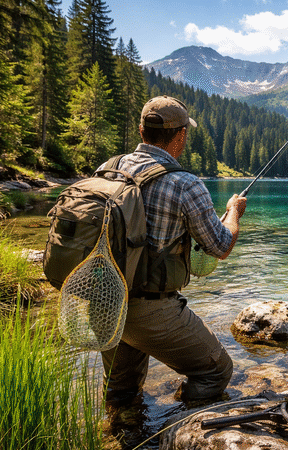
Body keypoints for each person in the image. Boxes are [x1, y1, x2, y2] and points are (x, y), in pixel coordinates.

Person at [101, 95, 246, 405]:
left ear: (142, 131)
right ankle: (181, 429)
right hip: (149, 309)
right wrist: (233, 211)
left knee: (121, 391)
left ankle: (123, 434)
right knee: (217, 370)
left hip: (105, 301)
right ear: (181, 136)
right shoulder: (184, 184)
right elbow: (220, 246)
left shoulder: (108, 169)